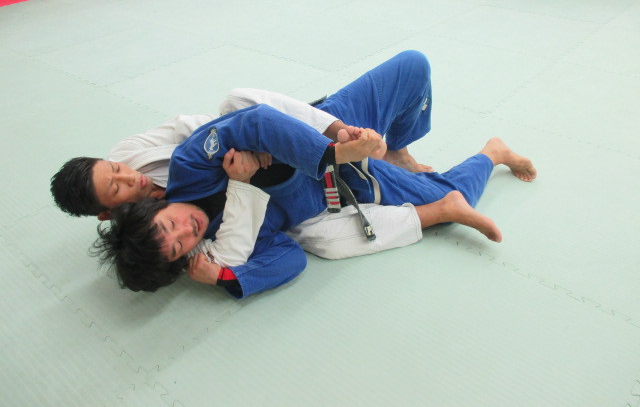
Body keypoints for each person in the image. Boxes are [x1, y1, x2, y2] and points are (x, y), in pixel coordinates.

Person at [94, 99, 536, 299]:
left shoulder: (190, 167)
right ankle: (480, 165)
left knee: (448, 198)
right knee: (338, 242)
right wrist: (223, 278)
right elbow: (289, 259)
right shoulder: (228, 240)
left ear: (154, 208)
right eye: (178, 247)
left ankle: (490, 154)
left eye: (168, 225)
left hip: (335, 159)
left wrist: (332, 154)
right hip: (327, 202)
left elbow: (256, 119)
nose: (186, 230)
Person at [51, 51, 437, 260]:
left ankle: (378, 147)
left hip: (282, 146)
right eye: (116, 189)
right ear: (107, 214)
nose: (128, 177)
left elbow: (193, 129)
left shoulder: (132, 154)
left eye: (115, 170)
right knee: (329, 239)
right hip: (287, 198)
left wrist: (251, 144)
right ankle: (344, 156)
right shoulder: (154, 236)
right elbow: (229, 251)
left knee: (414, 66)